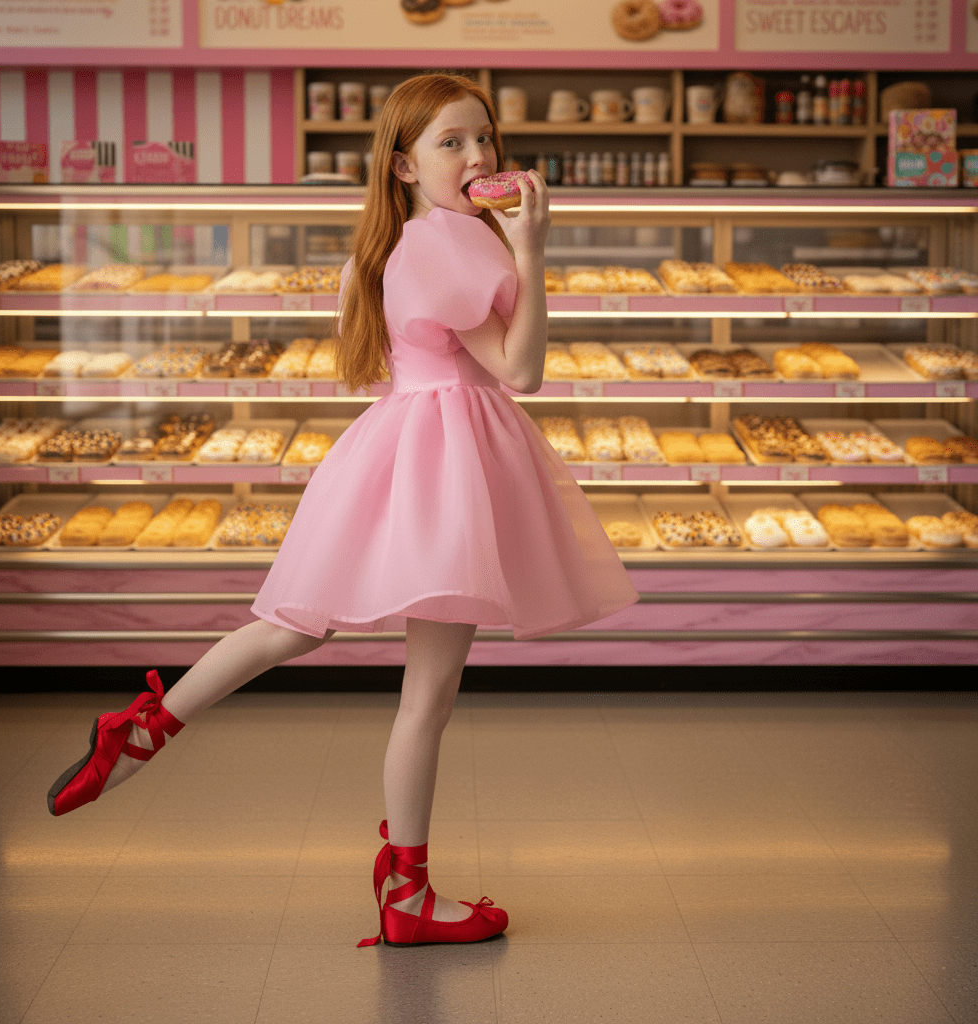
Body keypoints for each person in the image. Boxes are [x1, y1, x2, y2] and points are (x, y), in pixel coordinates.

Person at [47, 73, 638, 947]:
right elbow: (522, 373)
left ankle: (143, 729)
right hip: (450, 465)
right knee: (424, 697)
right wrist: (533, 250)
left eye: (484, 137)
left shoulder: (402, 242)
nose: (479, 155)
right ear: (404, 165)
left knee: (294, 625)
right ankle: (406, 895)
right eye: (451, 142)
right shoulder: (459, 244)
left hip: (409, 451)